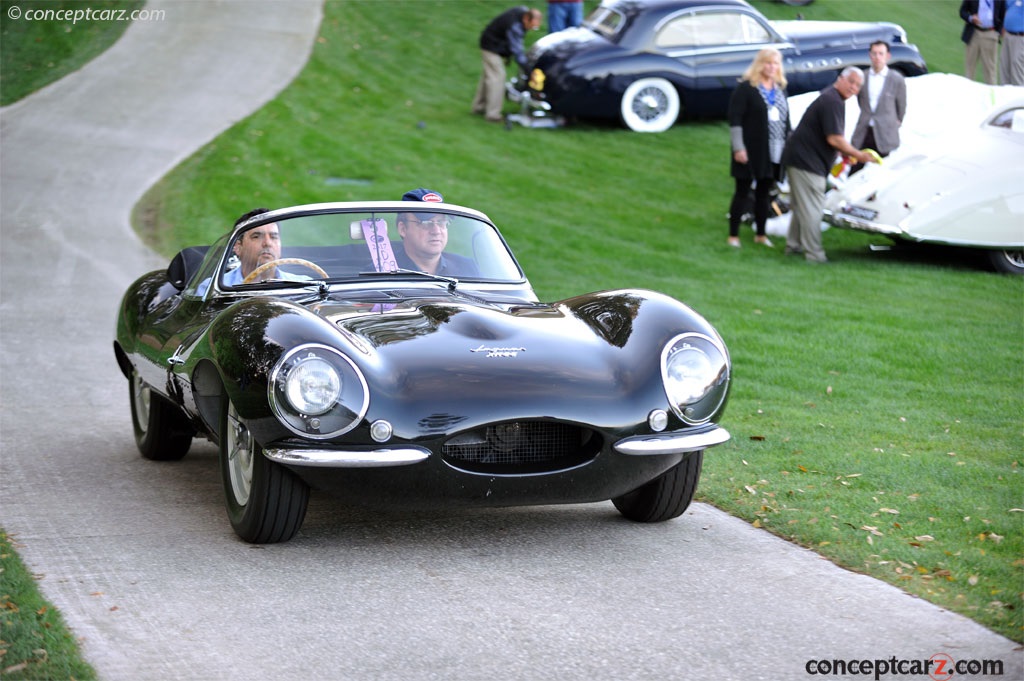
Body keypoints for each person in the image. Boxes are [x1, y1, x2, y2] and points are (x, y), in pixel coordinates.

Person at [781, 68, 878, 264]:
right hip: (806, 162)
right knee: (813, 208)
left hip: (800, 158)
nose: (854, 88)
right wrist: (858, 154)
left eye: (858, 86)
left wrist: (844, 152)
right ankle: (814, 255)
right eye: (851, 81)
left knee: (803, 207)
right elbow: (834, 138)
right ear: (840, 79)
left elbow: (829, 136)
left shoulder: (832, 99)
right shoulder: (832, 101)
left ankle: (794, 247)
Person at [727, 48, 791, 249]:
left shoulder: (780, 88)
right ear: (760, 64)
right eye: (768, 63)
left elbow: (786, 120)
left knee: (765, 193)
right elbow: (735, 120)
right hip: (750, 149)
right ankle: (733, 235)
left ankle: (761, 234)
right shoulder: (746, 88)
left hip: (775, 150)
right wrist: (739, 148)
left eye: (775, 63)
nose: (772, 67)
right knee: (743, 191)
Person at [197, 209, 309, 294]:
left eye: (273, 237)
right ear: (237, 247)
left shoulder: (305, 287)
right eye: (256, 236)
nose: (267, 243)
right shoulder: (211, 289)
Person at [471, 7, 543, 123]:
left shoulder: (522, 14)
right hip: (490, 47)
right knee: (498, 77)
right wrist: (530, 73)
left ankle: (479, 107)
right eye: (532, 26)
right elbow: (518, 52)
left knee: (488, 77)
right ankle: (493, 115)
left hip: (492, 43)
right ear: (526, 19)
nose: (531, 29)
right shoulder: (515, 26)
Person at [850, 41, 907, 175]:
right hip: (864, 129)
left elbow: (901, 106)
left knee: (879, 170)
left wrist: (894, 122)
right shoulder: (862, 76)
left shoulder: (897, 79)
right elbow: (861, 100)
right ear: (870, 55)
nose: (877, 57)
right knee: (855, 165)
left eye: (881, 54)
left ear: (887, 56)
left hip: (884, 132)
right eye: (874, 53)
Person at [395, 188, 480, 277]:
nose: (436, 231)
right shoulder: (386, 269)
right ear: (403, 229)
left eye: (441, 222)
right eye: (426, 223)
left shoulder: (467, 267)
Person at [961, 0, 1006, 84]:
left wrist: (997, 33)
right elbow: (962, 11)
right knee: (969, 68)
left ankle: (992, 95)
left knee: (990, 70)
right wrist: (971, 18)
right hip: (974, 34)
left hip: (990, 34)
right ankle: (967, 94)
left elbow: (1003, 15)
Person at [1001, 0, 1024, 85]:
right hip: (1007, 35)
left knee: (1017, 69)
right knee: (1005, 68)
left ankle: (1020, 96)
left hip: (1020, 38)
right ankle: (1005, 96)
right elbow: (1007, 9)